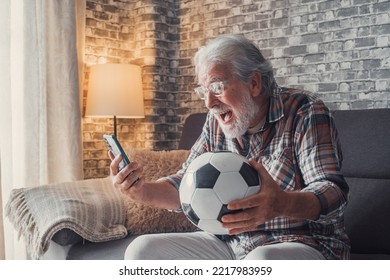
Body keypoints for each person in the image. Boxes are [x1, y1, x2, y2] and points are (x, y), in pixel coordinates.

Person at [109, 34, 350, 260]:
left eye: (216, 88)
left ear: (254, 83)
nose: (209, 103)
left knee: (260, 260)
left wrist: (281, 203)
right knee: (143, 250)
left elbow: (332, 192)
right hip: (232, 244)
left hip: (302, 243)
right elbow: (186, 183)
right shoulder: (217, 120)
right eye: (204, 91)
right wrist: (143, 192)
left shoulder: (304, 111)